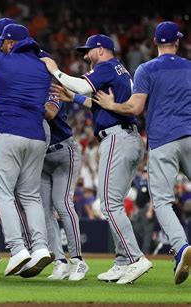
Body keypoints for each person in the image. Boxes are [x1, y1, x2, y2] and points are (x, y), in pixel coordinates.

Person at [42, 34, 152, 284]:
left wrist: (55, 70)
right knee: (115, 203)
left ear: (101, 50)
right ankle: (122, 262)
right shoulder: (119, 69)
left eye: (88, 50)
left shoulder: (104, 66)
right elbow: (101, 103)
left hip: (117, 138)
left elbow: (81, 85)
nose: (84, 55)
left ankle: (135, 258)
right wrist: (76, 100)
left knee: (109, 205)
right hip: (130, 138)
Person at [94, 21, 191, 285]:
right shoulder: (189, 67)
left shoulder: (146, 69)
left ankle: (182, 247)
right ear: (178, 42)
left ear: (155, 43)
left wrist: (111, 103)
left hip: (162, 140)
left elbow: (135, 108)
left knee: (161, 201)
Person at [0, 24, 53, 278]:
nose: (1, 43)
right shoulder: (42, 64)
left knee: (4, 194)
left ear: (12, 43)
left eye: (4, 41)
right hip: (36, 136)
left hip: (9, 131)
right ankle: (40, 248)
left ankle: (18, 250)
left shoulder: (2, 58)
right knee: (31, 196)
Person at [41, 95, 89, 281]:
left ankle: (78, 260)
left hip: (63, 151)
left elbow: (51, 112)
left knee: (62, 204)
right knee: (44, 210)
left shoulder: (50, 87)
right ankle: (60, 262)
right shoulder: (28, 86)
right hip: (41, 155)